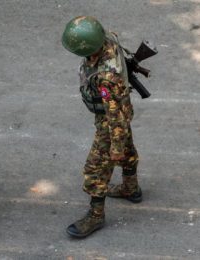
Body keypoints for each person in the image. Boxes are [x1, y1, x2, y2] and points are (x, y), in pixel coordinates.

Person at [61, 16, 142, 238]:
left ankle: (96, 216)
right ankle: (130, 188)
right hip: (121, 110)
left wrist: (115, 145)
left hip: (111, 121)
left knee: (95, 169)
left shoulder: (107, 78)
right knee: (127, 147)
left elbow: (114, 116)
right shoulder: (107, 39)